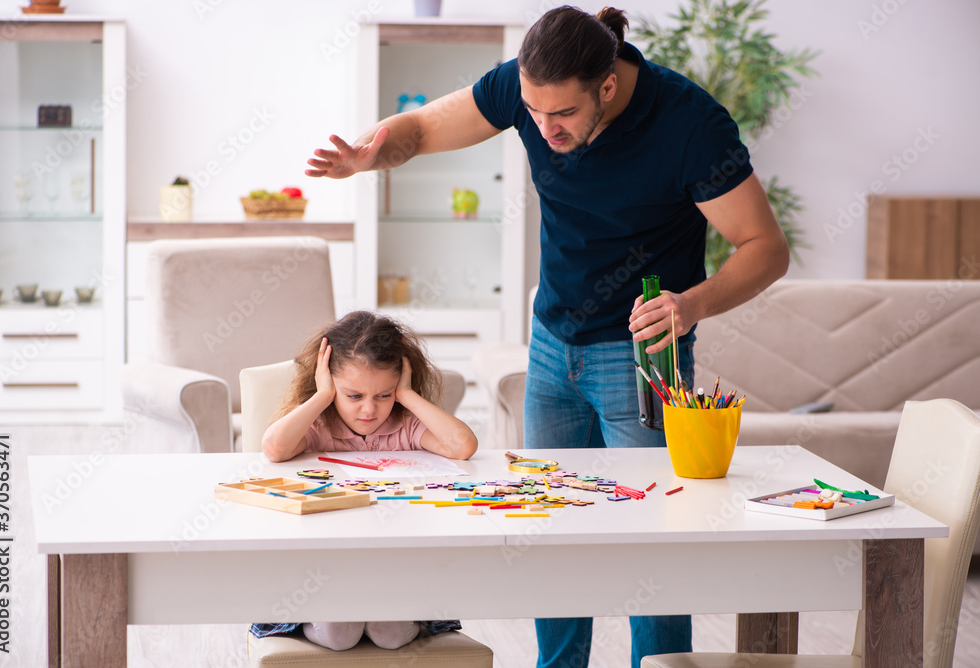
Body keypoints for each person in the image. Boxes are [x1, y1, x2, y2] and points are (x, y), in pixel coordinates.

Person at [305, 6, 789, 666]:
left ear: (608, 87)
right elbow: (417, 129)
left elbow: (766, 248)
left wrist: (692, 305)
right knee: (553, 526)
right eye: (531, 111)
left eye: (559, 114)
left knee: (655, 536)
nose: (542, 127)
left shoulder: (690, 124)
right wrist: (370, 154)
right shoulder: (526, 86)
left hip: (644, 354)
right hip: (552, 341)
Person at [251, 310, 478, 651]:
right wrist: (323, 395)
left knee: (389, 633)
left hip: (393, 566)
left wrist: (407, 396)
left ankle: (378, 612)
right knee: (339, 635)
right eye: (354, 396)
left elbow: (463, 446)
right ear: (330, 385)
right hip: (325, 568)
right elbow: (273, 448)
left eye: (383, 395)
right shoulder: (320, 424)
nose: (369, 410)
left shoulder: (406, 424)